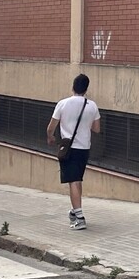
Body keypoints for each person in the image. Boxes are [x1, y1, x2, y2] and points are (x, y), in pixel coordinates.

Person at [46, 73, 100, 230]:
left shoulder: (63, 104)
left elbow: (51, 126)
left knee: (73, 181)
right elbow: (97, 129)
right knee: (78, 180)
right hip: (84, 148)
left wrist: (50, 137)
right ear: (86, 89)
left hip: (68, 148)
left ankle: (80, 217)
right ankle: (75, 211)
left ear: (73, 87)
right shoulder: (92, 106)